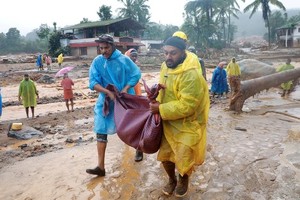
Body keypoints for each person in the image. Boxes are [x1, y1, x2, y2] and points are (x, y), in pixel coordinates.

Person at [149, 36, 210, 197]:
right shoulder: (165, 67)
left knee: (184, 156)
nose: (168, 57)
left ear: (183, 52)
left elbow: (188, 106)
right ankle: (171, 179)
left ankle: (183, 179)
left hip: (187, 123)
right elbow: (164, 86)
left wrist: (160, 109)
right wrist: (156, 89)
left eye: (173, 53)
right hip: (167, 121)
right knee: (166, 155)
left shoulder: (191, 75)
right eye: (166, 53)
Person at [86, 34, 141, 176]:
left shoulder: (124, 60)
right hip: (106, 101)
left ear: (113, 46)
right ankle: (101, 167)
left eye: (106, 48)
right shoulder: (97, 62)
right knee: (101, 128)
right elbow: (93, 82)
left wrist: (124, 89)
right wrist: (107, 92)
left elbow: (135, 74)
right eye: (101, 48)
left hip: (124, 99)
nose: (103, 51)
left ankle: (139, 147)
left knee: (131, 126)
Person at [124, 48, 144, 162]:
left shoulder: (136, 68)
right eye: (132, 56)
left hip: (137, 97)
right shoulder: (123, 67)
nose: (135, 58)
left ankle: (139, 149)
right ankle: (129, 146)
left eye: (136, 56)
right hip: (127, 98)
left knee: (137, 125)